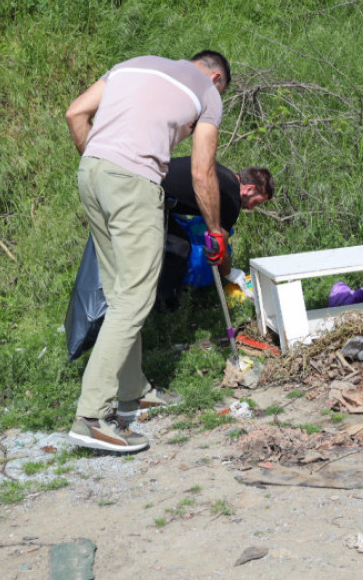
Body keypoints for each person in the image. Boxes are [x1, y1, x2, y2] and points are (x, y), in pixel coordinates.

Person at [64, 50, 230, 452]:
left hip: (92, 173)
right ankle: (92, 416)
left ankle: (132, 390)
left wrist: (103, 163)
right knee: (134, 298)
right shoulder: (208, 92)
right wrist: (215, 229)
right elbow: (200, 169)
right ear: (216, 77)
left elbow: (74, 114)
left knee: (121, 291)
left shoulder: (131, 64)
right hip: (133, 183)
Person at [156, 159, 274, 311]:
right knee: (179, 247)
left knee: (178, 235)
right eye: (256, 202)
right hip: (146, 195)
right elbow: (220, 245)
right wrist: (230, 273)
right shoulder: (231, 197)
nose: (251, 208)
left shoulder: (223, 175)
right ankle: (164, 308)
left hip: (146, 181)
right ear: (249, 189)